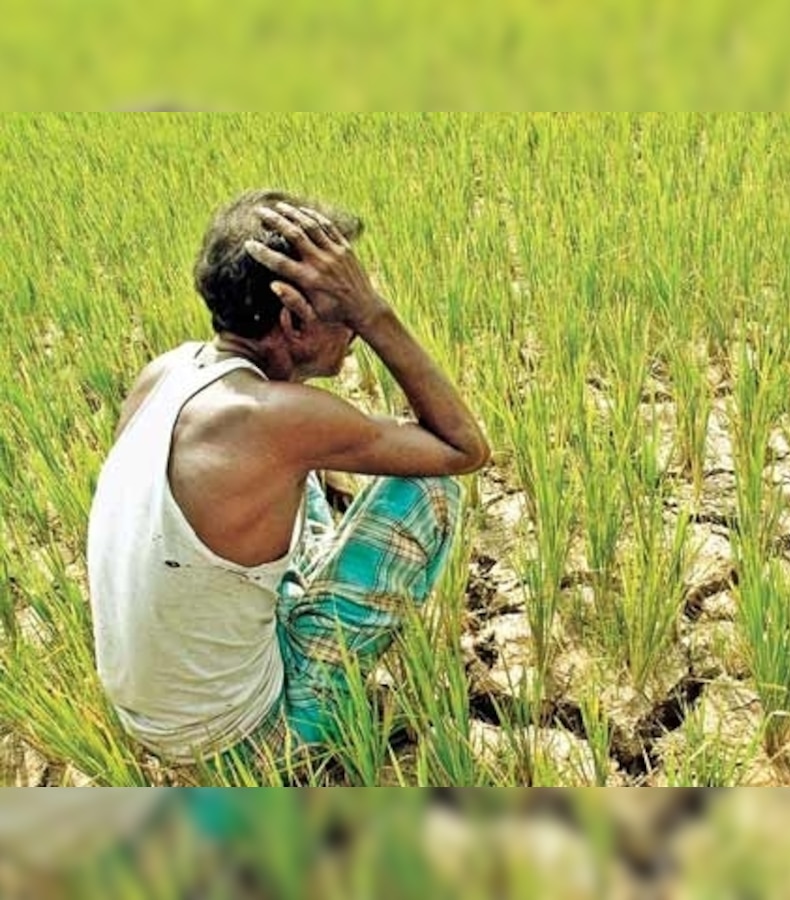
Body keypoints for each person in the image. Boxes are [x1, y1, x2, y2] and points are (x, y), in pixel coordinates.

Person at [86, 189, 490, 778]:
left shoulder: (167, 373)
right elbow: (463, 449)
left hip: (150, 719)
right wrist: (375, 314)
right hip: (244, 741)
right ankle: (311, 727)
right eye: (344, 306)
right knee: (430, 491)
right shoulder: (274, 419)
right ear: (294, 318)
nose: (352, 327)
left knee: (310, 493)